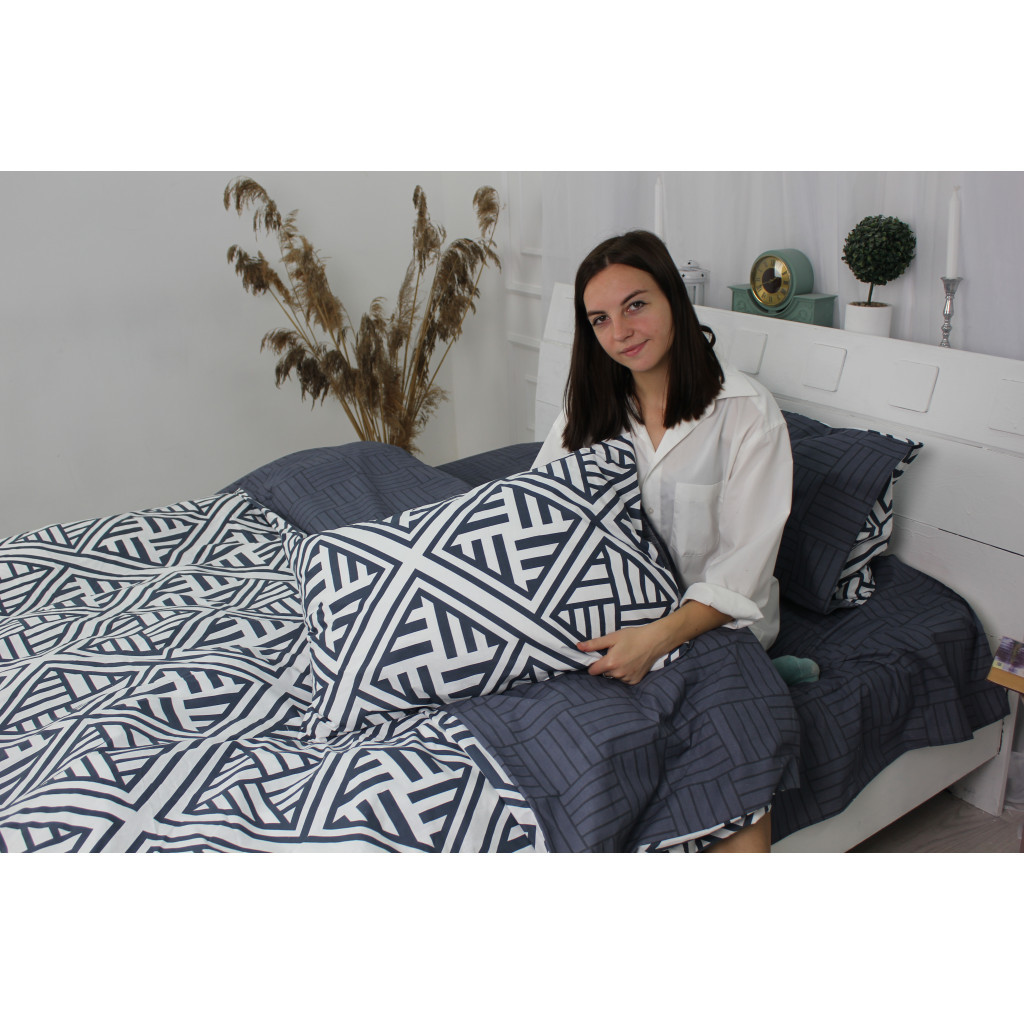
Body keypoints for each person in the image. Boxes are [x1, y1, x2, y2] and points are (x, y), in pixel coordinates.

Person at [532, 230, 793, 852]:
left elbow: (740, 576)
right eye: (600, 319)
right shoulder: (587, 410)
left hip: (714, 626)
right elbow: (543, 509)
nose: (621, 331)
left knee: (720, 741)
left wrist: (653, 640)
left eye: (636, 305)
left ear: (673, 298)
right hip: (610, 612)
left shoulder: (747, 414)